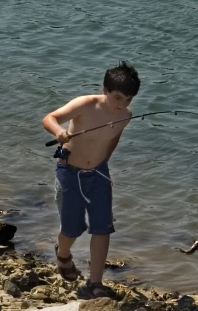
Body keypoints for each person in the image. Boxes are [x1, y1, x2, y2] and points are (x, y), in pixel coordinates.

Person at [42, 61, 140, 297]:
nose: (122, 104)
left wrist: (102, 162)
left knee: (102, 227)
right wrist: (59, 132)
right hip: (69, 172)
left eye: (128, 99)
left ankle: (96, 282)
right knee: (72, 228)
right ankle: (63, 254)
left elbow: (112, 140)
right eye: (118, 97)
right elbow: (50, 118)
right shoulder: (85, 104)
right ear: (105, 90)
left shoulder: (125, 116)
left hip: (98, 173)